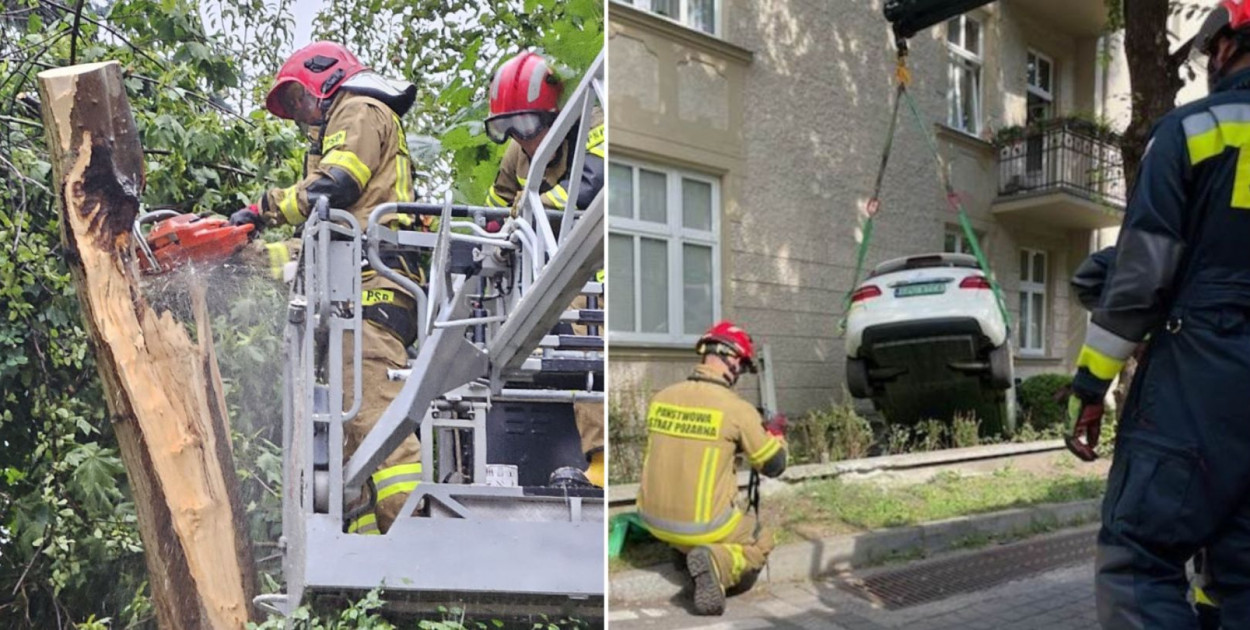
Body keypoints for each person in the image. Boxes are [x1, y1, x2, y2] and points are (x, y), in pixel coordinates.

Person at [1065, 1, 1250, 625]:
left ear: (1225, 47)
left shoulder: (1193, 129)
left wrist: (1091, 384)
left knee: (1137, 561)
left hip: (1200, 378)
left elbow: (1142, 276)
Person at [229, 41, 422, 535]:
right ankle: (367, 551)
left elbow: (335, 183)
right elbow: (312, 243)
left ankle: (411, 536)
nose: (300, 115)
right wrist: (239, 258)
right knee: (350, 435)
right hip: (351, 288)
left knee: (376, 416)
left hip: (375, 288)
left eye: (299, 100)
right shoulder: (347, 127)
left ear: (325, 78)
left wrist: (261, 209)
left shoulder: (358, 109)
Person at [484, 50, 606, 487]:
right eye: (506, 127)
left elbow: (593, 185)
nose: (521, 137)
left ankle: (603, 462)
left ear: (554, 114)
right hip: (548, 280)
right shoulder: (518, 154)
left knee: (590, 347)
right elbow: (496, 210)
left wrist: (529, 211)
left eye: (529, 125)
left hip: (599, 273)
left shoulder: (593, 124)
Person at [636, 321, 788, 615]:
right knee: (763, 535)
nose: (741, 374)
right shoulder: (736, 409)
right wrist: (777, 434)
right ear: (730, 357)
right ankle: (717, 563)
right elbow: (773, 465)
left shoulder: (661, 397)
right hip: (704, 525)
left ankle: (683, 552)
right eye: (742, 366)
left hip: (651, 519)